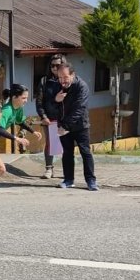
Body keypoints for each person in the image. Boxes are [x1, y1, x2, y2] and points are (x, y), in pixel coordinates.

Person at [55, 62, 98, 191]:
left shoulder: (81, 86)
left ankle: (91, 181)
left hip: (80, 126)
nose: (62, 80)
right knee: (67, 153)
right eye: (60, 77)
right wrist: (56, 100)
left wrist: (66, 126)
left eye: (65, 77)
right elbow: (50, 106)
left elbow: (79, 109)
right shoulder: (57, 86)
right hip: (63, 125)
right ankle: (68, 180)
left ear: (72, 75)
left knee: (85, 152)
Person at [36, 54, 66, 178]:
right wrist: (43, 116)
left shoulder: (66, 80)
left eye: (57, 65)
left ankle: (67, 170)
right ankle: (49, 169)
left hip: (64, 118)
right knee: (50, 143)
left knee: (66, 144)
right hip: (50, 118)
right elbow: (39, 101)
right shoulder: (44, 81)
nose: (54, 68)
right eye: (52, 65)